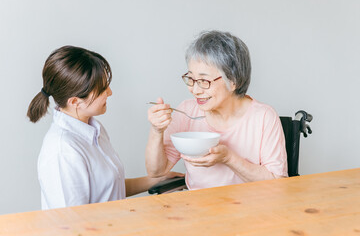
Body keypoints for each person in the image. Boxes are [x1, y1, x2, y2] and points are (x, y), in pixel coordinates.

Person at [27, 46, 182, 209]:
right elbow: (71, 223)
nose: (110, 92)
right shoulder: (63, 150)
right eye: (102, 89)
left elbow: (109, 189)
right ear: (75, 102)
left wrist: (157, 180)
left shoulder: (93, 129)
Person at [146, 30, 287, 190]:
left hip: (248, 209)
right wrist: (156, 131)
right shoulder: (187, 110)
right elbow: (156, 171)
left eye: (204, 81)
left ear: (233, 81)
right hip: (198, 208)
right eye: (191, 79)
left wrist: (228, 158)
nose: (195, 90)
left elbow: (278, 183)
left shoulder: (263, 117)